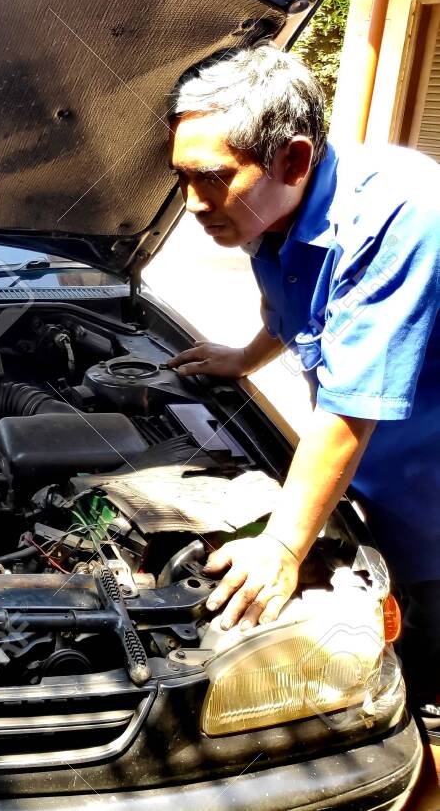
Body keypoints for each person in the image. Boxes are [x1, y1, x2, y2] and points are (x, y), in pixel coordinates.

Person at [164, 45, 439, 746]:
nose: (193, 204)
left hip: (429, 499)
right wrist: (246, 357)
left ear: (293, 160)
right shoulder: (267, 214)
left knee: (417, 670)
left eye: (212, 179)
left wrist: (283, 544)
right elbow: (290, 308)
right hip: (369, 480)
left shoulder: (399, 214)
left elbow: (351, 406)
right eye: (182, 178)